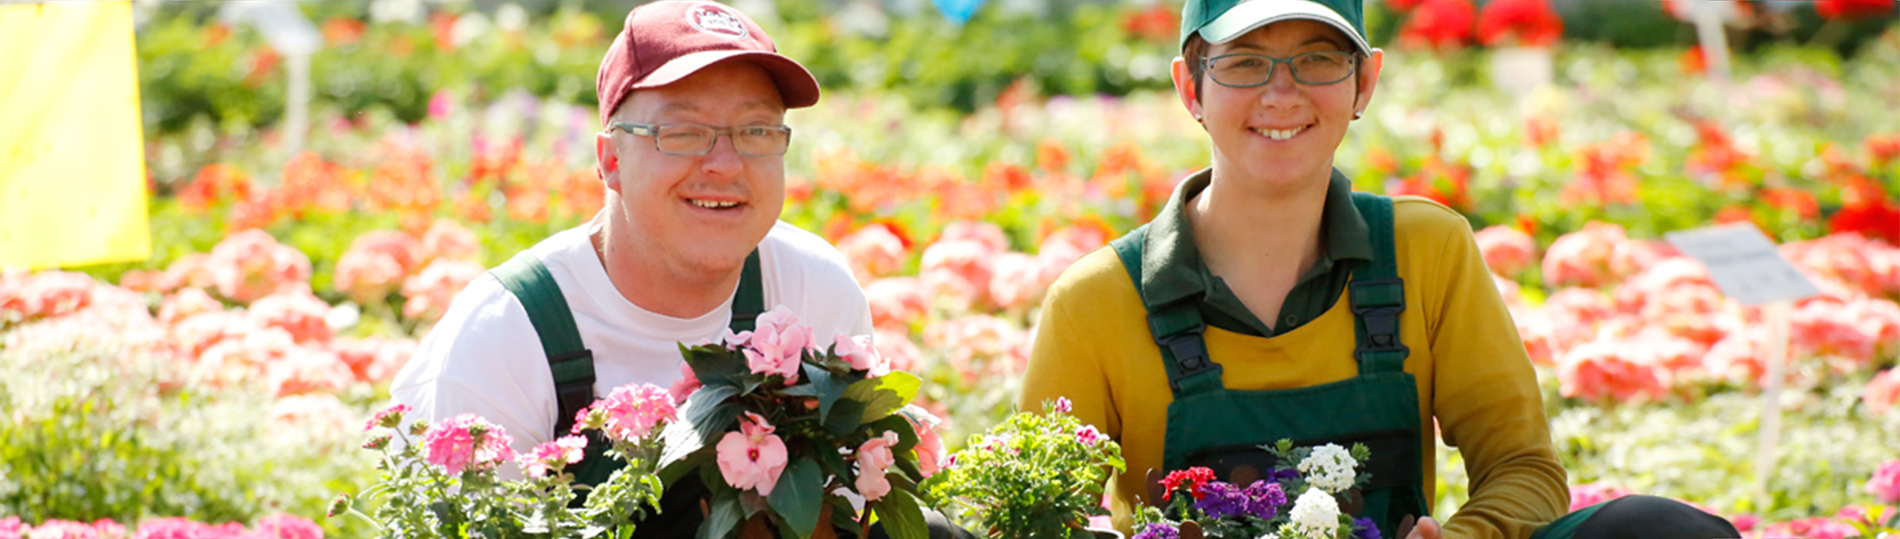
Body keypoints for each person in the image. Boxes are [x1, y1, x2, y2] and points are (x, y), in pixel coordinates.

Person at [1016, 1, 1742, 539]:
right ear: (1189, 87)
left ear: (1365, 81)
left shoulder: (1425, 251)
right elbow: (1037, 516)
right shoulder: (1098, 300)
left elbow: (1523, 466)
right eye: (1243, 63)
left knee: (1657, 530)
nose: (1281, 93)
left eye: (1318, 59)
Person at [390, 3, 971, 538]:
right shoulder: (509, 330)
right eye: (683, 133)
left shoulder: (809, 285)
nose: (724, 163)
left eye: (756, 131)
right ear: (611, 160)